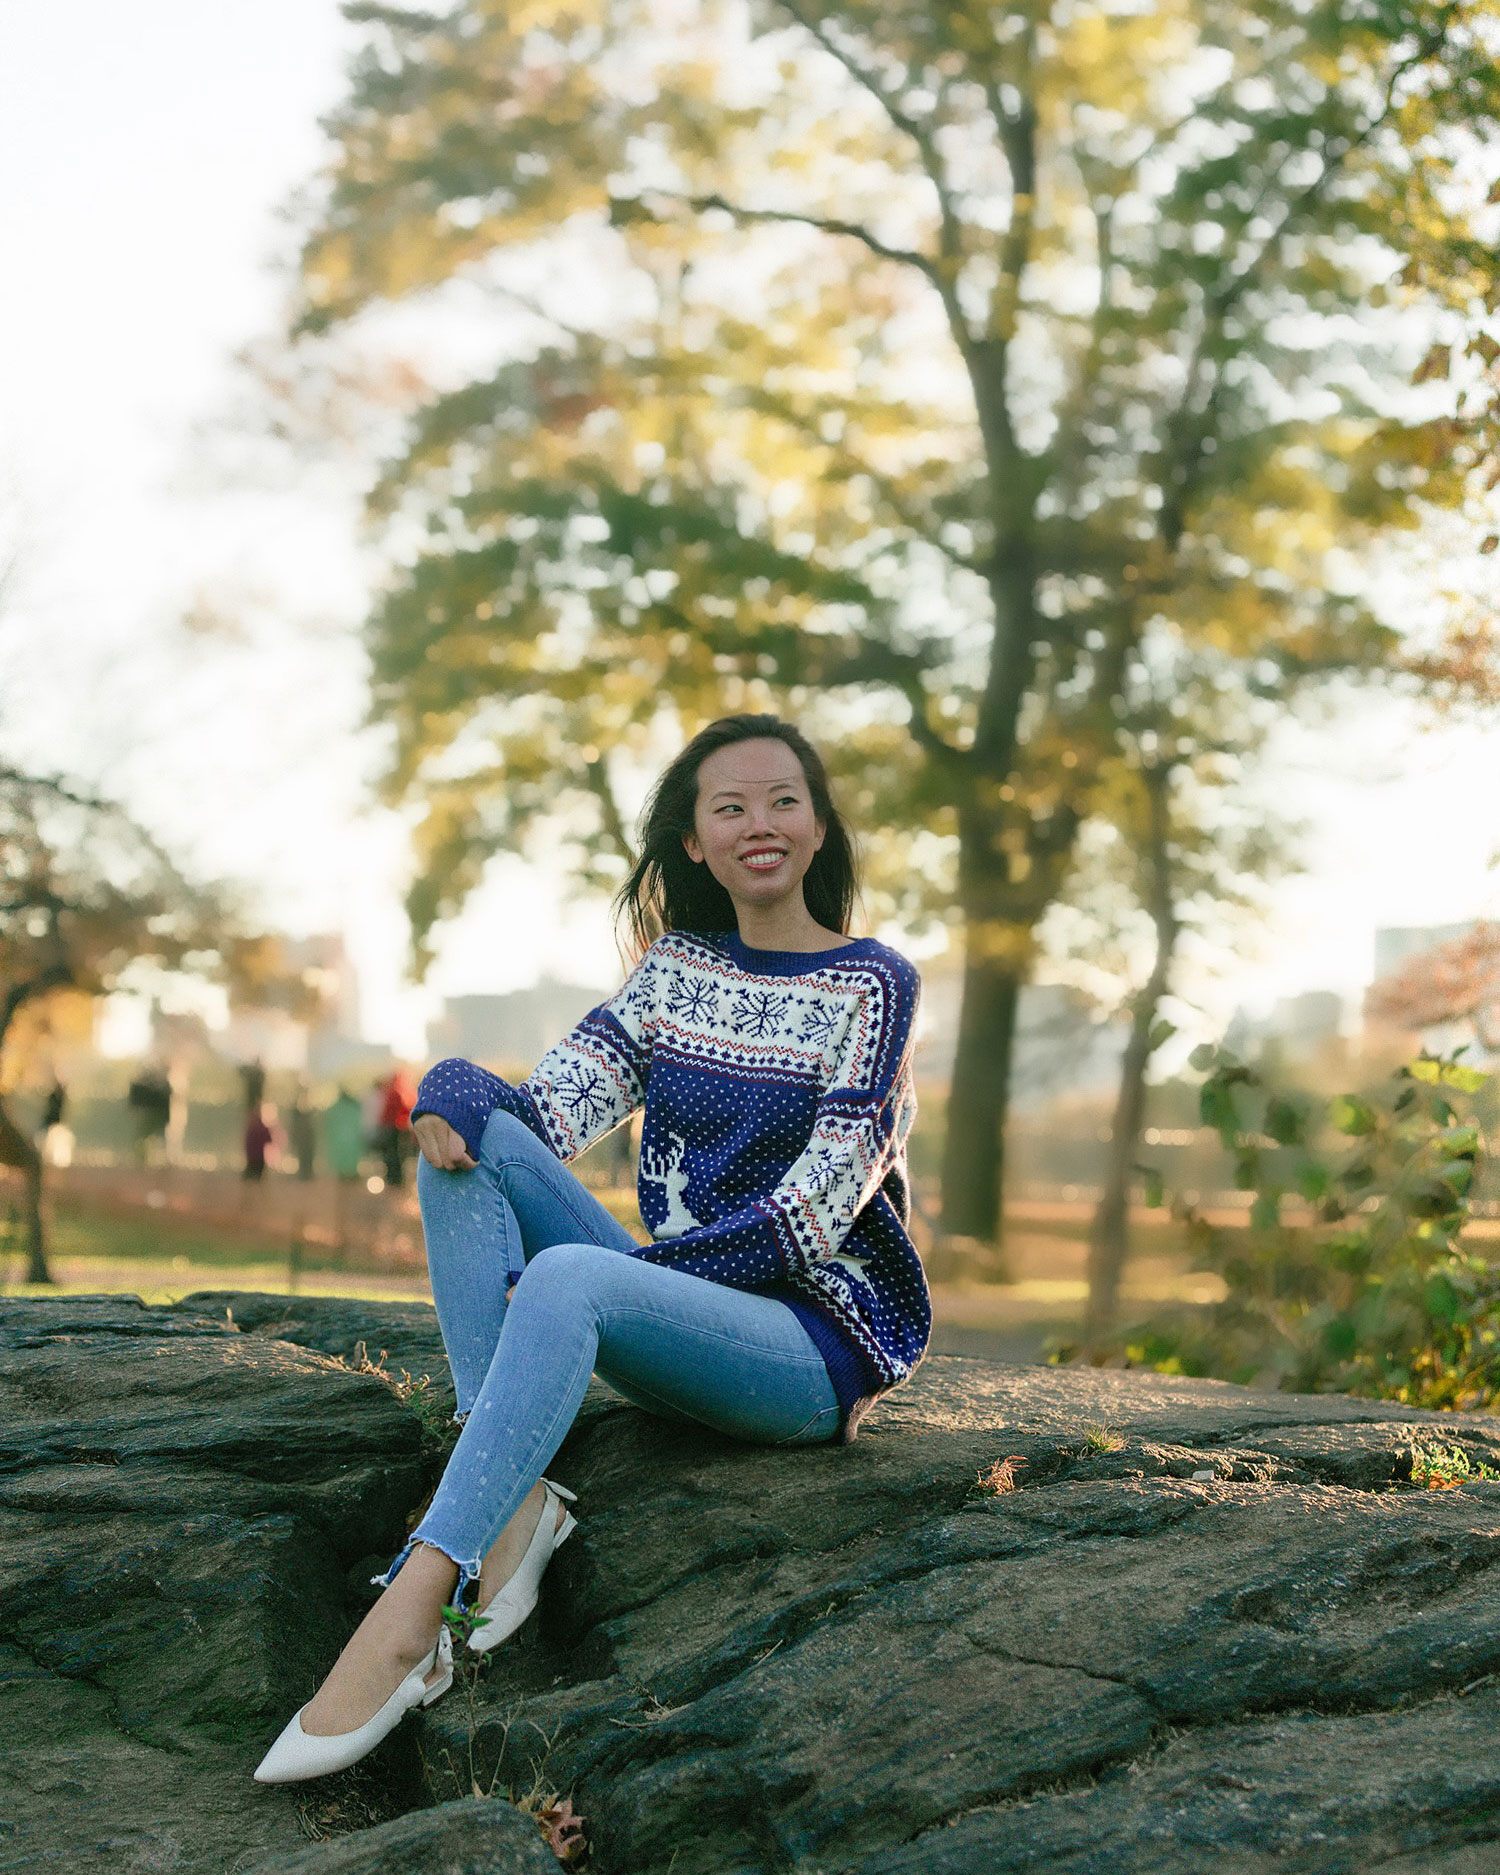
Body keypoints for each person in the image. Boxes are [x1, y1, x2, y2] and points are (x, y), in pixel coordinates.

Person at [254, 713, 927, 1783]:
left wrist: (621, 1283)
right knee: (465, 1148)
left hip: (805, 1347)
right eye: (730, 806)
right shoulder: (675, 974)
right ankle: (514, 1495)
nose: (762, 822)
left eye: (785, 799)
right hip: (676, 1316)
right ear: (694, 843)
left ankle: (411, 1615)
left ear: (819, 826)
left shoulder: (873, 988)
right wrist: (455, 1093)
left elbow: (810, 1219)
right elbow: (549, 1114)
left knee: (570, 1277)